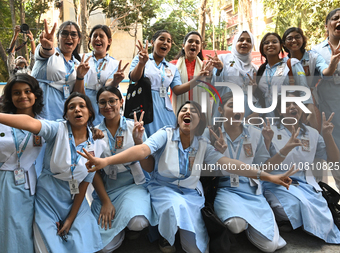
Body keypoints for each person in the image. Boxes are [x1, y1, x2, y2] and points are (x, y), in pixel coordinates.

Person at [78, 101, 297, 253]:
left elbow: (232, 164)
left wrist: (268, 176)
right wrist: (106, 161)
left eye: (193, 111)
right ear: (178, 116)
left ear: (199, 120)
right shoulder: (165, 133)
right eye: (184, 110)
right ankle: (166, 233)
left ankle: (173, 232)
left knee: (194, 248)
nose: (187, 113)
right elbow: (143, 150)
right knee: (175, 206)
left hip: (191, 196)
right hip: (164, 191)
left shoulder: (204, 144)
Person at [0, 92, 106, 252]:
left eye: (82, 106)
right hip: (47, 200)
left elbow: (85, 183)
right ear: (66, 115)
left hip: (75, 200)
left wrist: (71, 218)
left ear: (90, 112)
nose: (77, 110)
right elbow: (31, 123)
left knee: (85, 243)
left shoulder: (97, 143)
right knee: (48, 247)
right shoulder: (57, 130)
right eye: (72, 107)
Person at [204, 92, 303, 252]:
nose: (238, 110)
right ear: (221, 110)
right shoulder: (211, 133)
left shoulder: (255, 133)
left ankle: (251, 224)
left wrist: (285, 149)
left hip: (252, 192)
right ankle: (243, 222)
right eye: (231, 106)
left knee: (270, 247)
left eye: (240, 107)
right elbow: (204, 170)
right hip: (224, 190)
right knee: (236, 224)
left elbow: (264, 168)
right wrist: (216, 151)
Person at [262, 91, 340, 244]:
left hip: (303, 184)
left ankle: (298, 224)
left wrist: (327, 135)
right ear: (279, 111)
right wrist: (267, 141)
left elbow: (334, 159)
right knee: (290, 209)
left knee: (318, 209)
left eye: (296, 104)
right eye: (287, 104)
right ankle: (288, 221)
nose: (292, 107)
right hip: (276, 183)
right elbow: (263, 168)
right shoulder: (270, 131)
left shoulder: (312, 133)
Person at [90, 86, 157, 252]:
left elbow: (149, 167)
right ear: (98, 106)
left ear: (121, 102)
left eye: (112, 101)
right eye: (103, 102)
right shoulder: (94, 133)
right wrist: (105, 201)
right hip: (107, 189)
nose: (108, 106)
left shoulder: (134, 127)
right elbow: (93, 173)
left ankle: (127, 226)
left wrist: (138, 143)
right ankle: (119, 230)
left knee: (138, 222)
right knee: (103, 248)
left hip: (133, 185)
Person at [129, 30, 210, 137]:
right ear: (153, 42)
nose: (165, 43)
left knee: (166, 139)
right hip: (142, 105)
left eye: (169, 41)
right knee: (142, 138)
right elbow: (133, 77)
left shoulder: (172, 68)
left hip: (163, 107)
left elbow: (177, 89)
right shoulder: (141, 59)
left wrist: (198, 79)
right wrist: (141, 63)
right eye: (161, 39)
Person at [0, 74, 44, 253]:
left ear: (35, 95)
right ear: (10, 98)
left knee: (36, 227)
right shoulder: (2, 122)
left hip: (40, 183)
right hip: (8, 183)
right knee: (12, 227)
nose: (23, 96)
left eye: (28, 91)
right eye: (16, 93)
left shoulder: (46, 123)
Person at [282, 27, 340, 131]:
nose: (294, 40)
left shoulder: (314, 57)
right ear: (284, 44)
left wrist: (332, 65)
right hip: (290, 103)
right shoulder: (282, 63)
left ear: (303, 40)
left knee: (314, 131)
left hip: (312, 102)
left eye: (297, 37)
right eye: (289, 38)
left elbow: (325, 73)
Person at [31, 19, 91, 121]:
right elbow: (45, 52)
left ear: (79, 39)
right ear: (58, 38)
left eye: (73, 34)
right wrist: (47, 47)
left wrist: (80, 77)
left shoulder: (77, 64)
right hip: (40, 113)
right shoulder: (51, 54)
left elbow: (78, 96)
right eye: (64, 33)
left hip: (62, 116)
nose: (69, 37)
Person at [312, 8, 340, 189]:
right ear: (327, 24)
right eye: (336, 18)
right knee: (334, 161)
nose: (339, 22)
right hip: (330, 119)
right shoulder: (315, 52)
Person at [256, 33, 314, 118]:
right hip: (269, 122)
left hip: (290, 119)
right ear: (262, 48)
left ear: (281, 46)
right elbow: (261, 98)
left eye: (274, 42)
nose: (270, 44)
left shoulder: (291, 64)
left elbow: (304, 91)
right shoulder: (262, 70)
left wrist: (310, 115)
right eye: (266, 43)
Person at [83, 25, 129, 126]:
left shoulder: (114, 64)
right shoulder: (82, 58)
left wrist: (115, 81)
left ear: (109, 41)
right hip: (85, 102)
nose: (97, 39)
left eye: (101, 36)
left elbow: (109, 83)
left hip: (104, 103)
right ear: (90, 40)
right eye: (95, 36)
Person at [211, 30, 258, 121]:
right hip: (224, 105)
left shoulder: (254, 68)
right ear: (235, 42)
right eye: (241, 40)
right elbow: (214, 86)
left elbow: (257, 94)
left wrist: (253, 89)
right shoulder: (223, 59)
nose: (244, 42)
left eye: (248, 41)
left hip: (244, 108)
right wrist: (219, 70)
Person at [170, 31, 215, 123]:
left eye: (197, 42)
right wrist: (198, 78)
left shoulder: (206, 66)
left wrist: (209, 76)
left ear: (200, 48)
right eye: (190, 41)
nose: (193, 44)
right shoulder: (172, 65)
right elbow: (174, 89)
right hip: (178, 110)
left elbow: (211, 94)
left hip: (200, 111)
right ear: (183, 45)